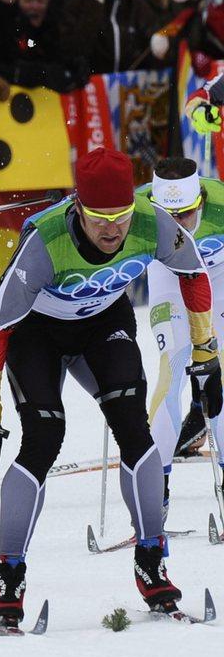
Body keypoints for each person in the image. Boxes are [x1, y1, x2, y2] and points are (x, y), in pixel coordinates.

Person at [0, 148, 219, 627]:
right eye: (100, 218)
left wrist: (206, 357)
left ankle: (152, 561)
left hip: (104, 324)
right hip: (36, 334)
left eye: (121, 217)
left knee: (135, 430)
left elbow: (193, 275)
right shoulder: (44, 243)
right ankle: (9, 577)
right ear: (78, 208)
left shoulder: (153, 222)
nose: (113, 230)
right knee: (44, 438)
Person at [138, 158, 224, 509]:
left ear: (200, 201)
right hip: (169, 284)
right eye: (167, 217)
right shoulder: (137, 205)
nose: (178, 228)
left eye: (186, 214)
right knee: (170, 373)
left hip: (217, 284)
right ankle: (156, 496)